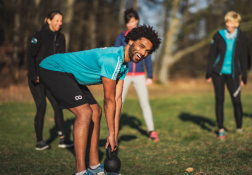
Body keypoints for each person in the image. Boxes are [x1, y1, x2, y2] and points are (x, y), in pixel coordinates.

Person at [38, 25, 161, 175]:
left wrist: (114, 134)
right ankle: (81, 172)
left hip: (71, 74)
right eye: (141, 46)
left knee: (96, 111)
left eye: (147, 51)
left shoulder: (124, 65)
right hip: (53, 68)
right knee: (84, 113)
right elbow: (109, 100)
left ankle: (94, 166)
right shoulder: (113, 60)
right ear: (130, 41)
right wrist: (110, 133)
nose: (143, 53)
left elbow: (117, 99)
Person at [27, 10, 73, 150]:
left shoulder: (61, 38)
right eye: (56, 20)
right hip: (37, 78)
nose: (59, 23)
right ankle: (40, 141)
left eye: (61, 21)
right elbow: (30, 56)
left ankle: (63, 139)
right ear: (48, 20)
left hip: (51, 78)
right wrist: (34, 75)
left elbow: (62, 60)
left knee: (58, 105)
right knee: (41, 106)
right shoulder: (39, 36)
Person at [115, 8, 159, 142]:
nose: (131, 24)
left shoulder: (144, 38)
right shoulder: (121, 37)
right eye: (128, 22)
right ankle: (114, 130)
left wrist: (150, 75)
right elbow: (116, 55)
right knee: (119, 103)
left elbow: (149, 57)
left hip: (140, 75)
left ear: (137, 21)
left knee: (145, 103)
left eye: (133, 21)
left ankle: (151, 131)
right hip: (125, 74)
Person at [205, 11, 248, 140]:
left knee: (237, 101)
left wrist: (244, 76)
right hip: (218, 73)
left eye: (231, 22)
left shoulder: (241, 37)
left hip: (234, 74)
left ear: (237, 24)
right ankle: (221, 130)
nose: (228, 24)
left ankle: (239, 128)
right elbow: (211, 55)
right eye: (227, 22)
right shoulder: (218, 35)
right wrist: (208, 72)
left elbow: (244, 58)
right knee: (220, 100)